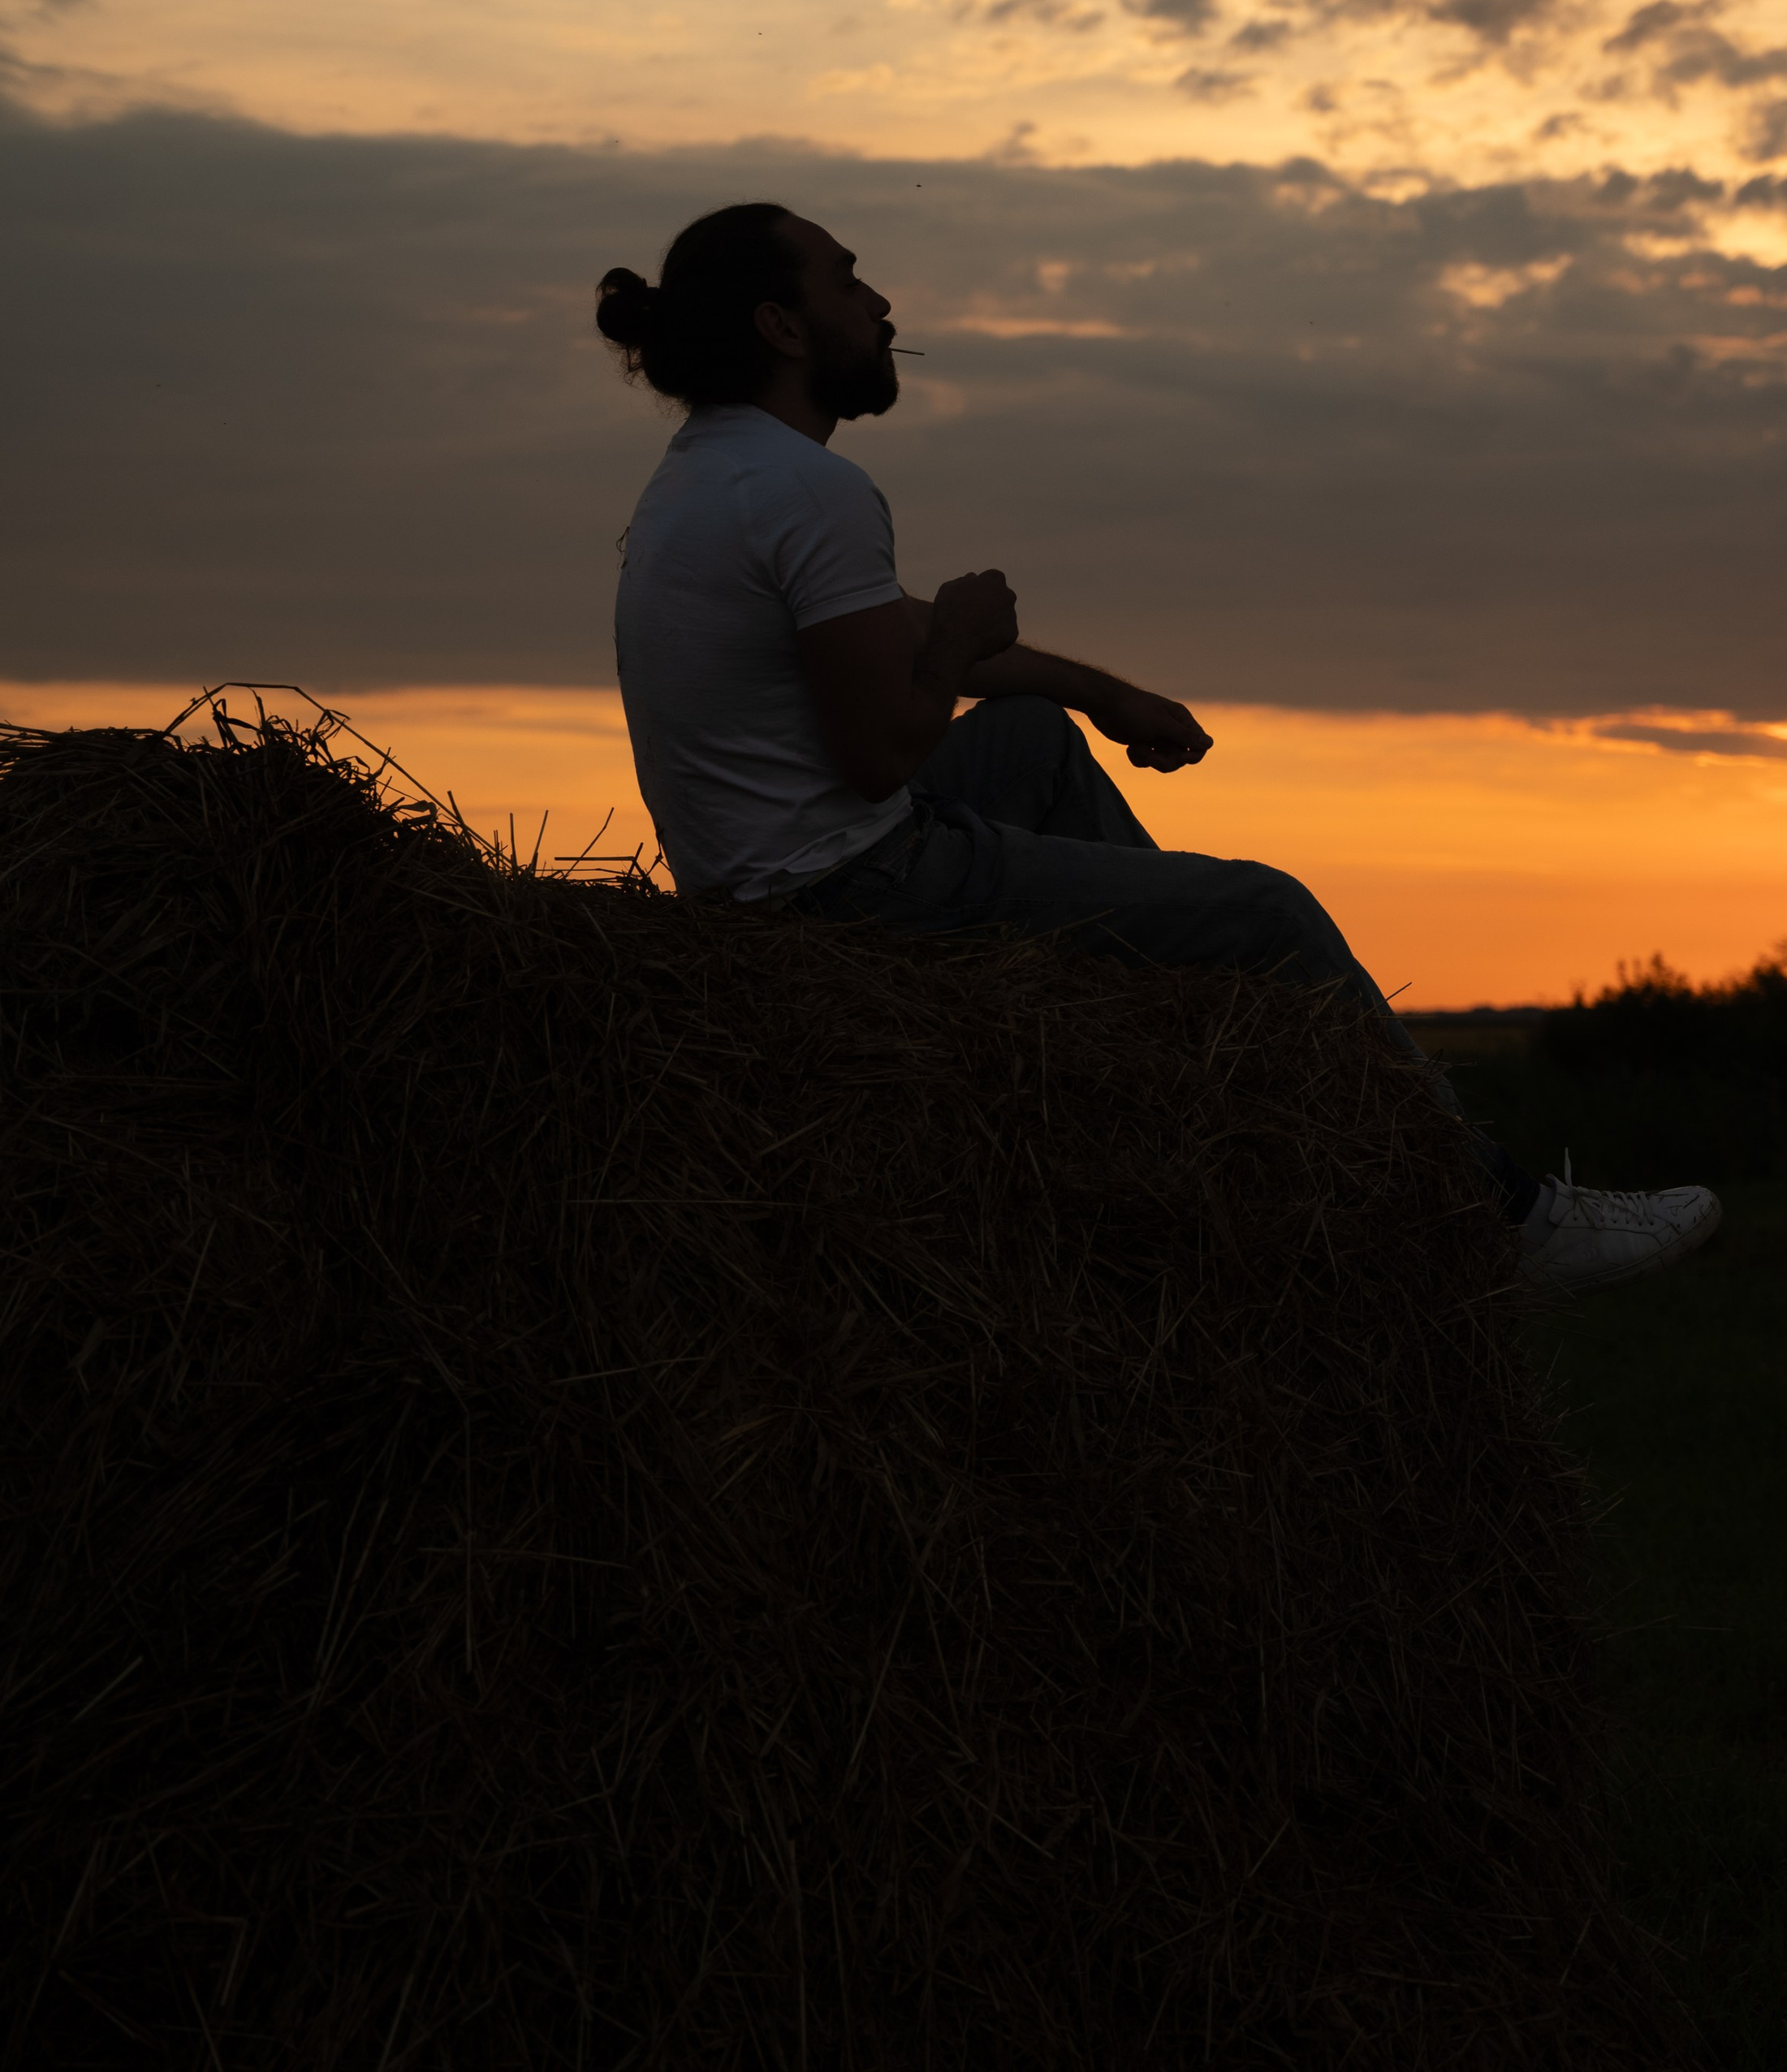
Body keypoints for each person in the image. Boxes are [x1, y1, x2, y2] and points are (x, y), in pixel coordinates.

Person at [598, 201, 1720, 1297]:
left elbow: (880, 641)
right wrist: (958, 639)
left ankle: (1181, 1059)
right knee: (1266, 912)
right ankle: (1501, 1221)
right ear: (783, 327)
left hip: (757, 882)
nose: (883, 303)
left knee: (1030, 738)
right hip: (840, 885)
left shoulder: (706, 475)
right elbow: (880, 756)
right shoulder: (812, 489)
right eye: (848, 280)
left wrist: (1106, 694)